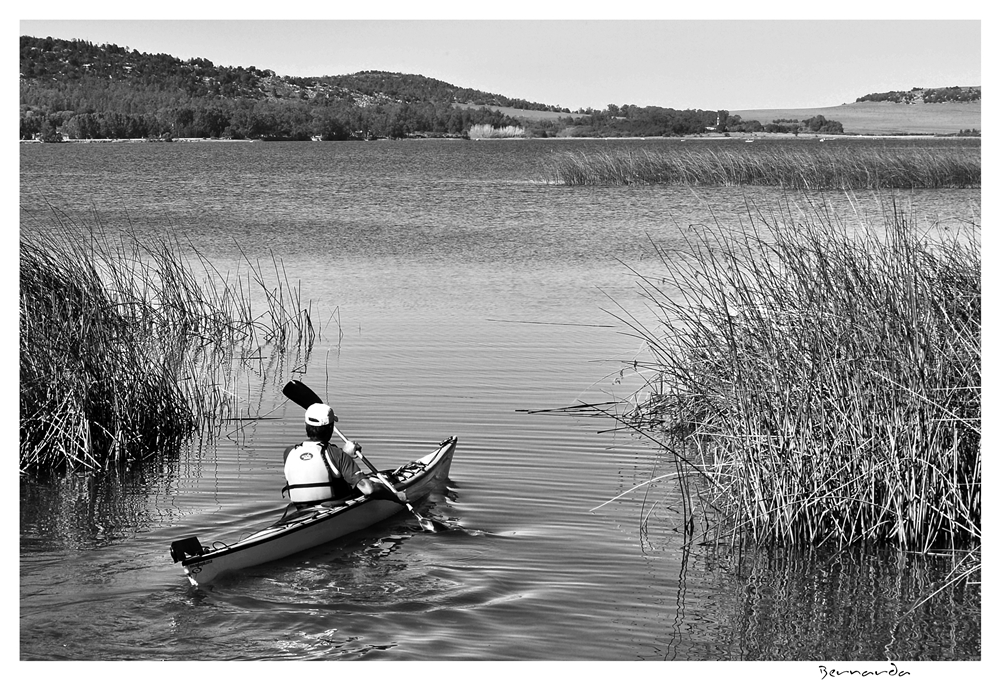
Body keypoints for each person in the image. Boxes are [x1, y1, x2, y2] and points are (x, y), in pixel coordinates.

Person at [282, 403, 405, 507]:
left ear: (306, 426)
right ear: (330, 428)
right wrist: (396, 497)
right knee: (373, 481)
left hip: (301, 508)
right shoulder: (337, 455)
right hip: (334, 506)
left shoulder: (289, 453)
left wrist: (345, 454)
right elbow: (368, 489)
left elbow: (315, 465)